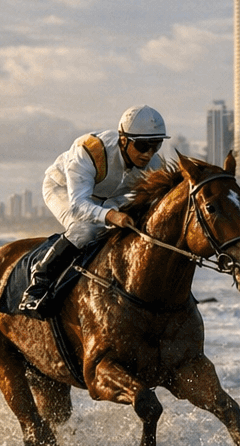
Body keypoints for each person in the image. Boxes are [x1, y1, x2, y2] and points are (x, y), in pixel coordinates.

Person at [9, 105, 169, 318]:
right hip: (63, 189)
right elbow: (79, 204)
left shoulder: (153, 163)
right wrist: (111, 215)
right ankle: (37, 285)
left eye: (155, 145)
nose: (148, 154)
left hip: (106, 197)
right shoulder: (90, 149)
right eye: (142, 146)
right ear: (124, 140)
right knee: (85, 230)